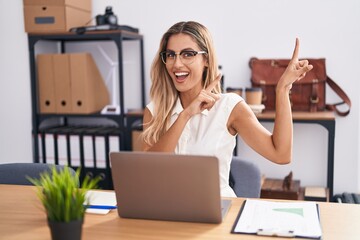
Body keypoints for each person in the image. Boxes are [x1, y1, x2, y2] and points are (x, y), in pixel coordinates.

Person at [142, 21, 313, 197]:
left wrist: (283, 88)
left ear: (206, 59)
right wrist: (185, 115)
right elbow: (147, 171)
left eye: (188, 54)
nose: (177, 64)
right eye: (171, 55)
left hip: (218, 213)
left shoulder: (229, 107)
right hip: (167, 214)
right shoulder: (155, 110)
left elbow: (281, 154)